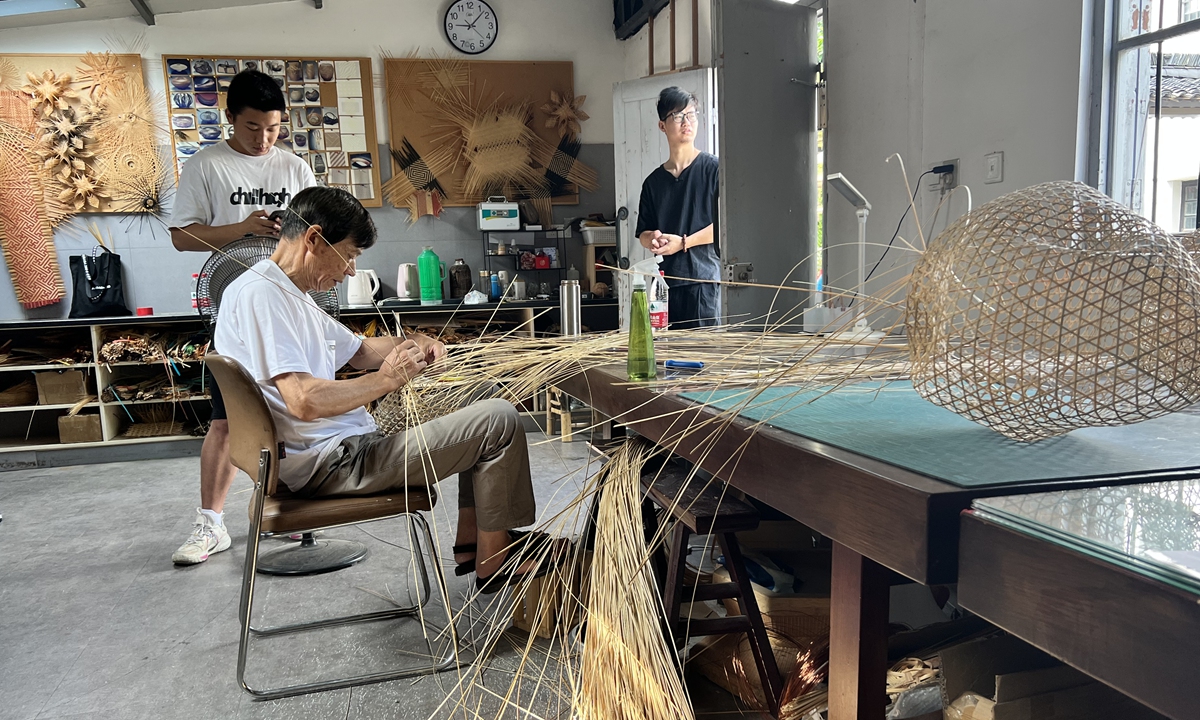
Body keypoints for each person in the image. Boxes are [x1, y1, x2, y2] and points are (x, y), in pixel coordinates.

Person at [214, 186, 552, 593]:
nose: (352, 271)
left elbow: (359, 352)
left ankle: (473, 541)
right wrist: (388, 379)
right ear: (314, 239)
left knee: (475, 395)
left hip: (348, 449)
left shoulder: (289, 293)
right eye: (351, 255)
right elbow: (303, 401)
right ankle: (496, 562)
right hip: (334, 464)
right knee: (499, 420)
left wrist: (417, 342)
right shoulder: (261, 296)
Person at [169, 70, 317, 565]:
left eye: (273, 128)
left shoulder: (295, 168)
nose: (263, 139)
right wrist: (240, 228)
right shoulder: (206, 166)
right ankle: (210, 525)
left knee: (294, 408)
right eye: (253, 128)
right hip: (231, 305)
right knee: (227, 418)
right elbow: (181, 237)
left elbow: (318, 233)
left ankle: (286, 509)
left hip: (294, 305)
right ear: (229, 118)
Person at [635, 86, 722, 329]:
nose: (687, 122)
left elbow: (726, 225)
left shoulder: (714, 170)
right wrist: (651, 238)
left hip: (702, 281)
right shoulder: (653, 183)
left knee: (703, 356)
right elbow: (643, 232)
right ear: (662, 125)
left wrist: (684, 242)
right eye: (677, 116)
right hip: (663, 284)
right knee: (667, 358)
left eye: (691, 114)